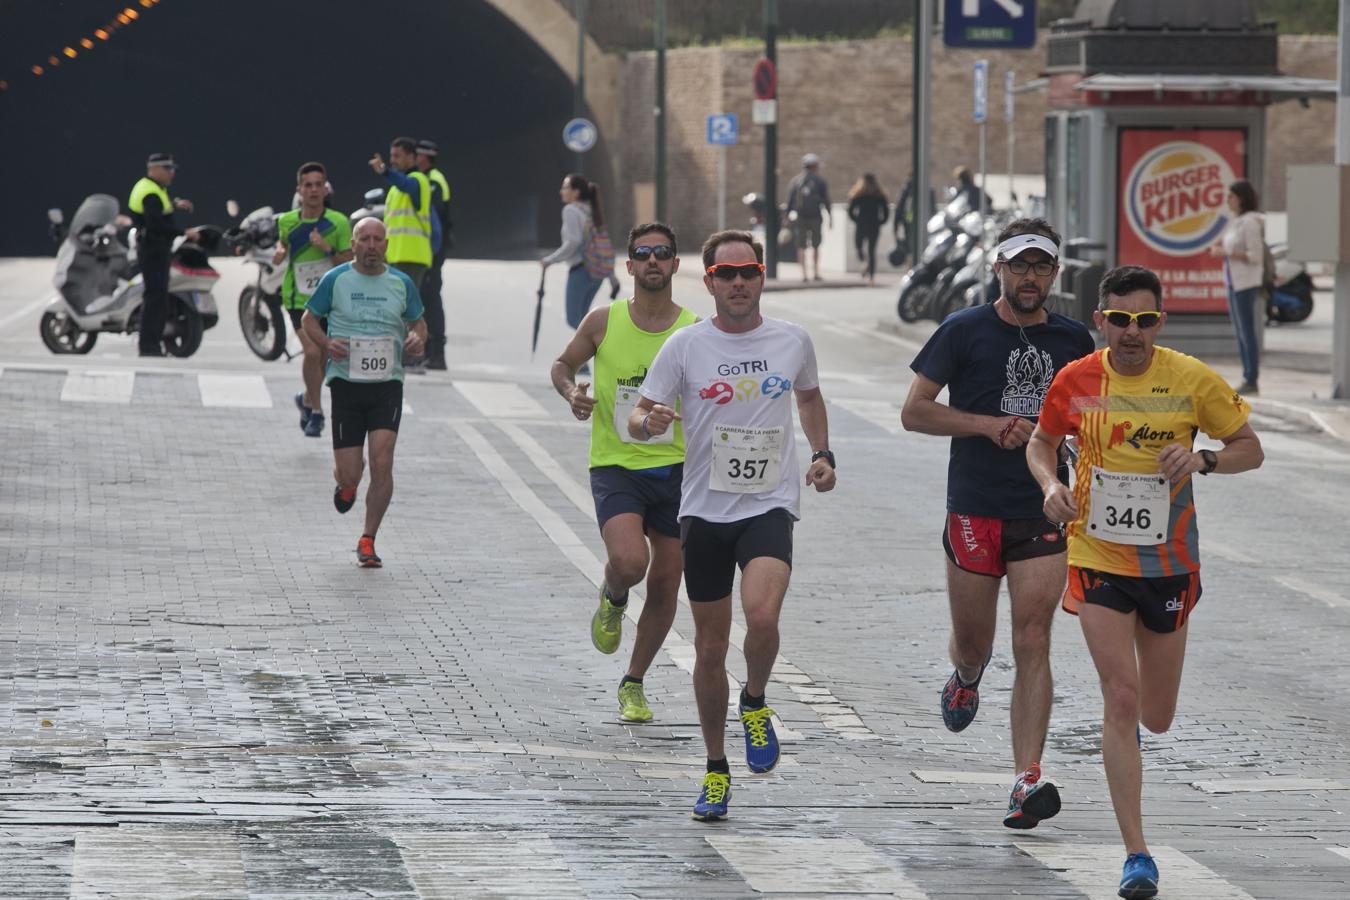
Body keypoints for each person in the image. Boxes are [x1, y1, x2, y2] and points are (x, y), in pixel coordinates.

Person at [1026, 265, 1264, 900]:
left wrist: (1205, 457)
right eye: (1121, 319)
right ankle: (1137, 853)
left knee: (1155, 716)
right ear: (1100, 320)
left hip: (1169, 565)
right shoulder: (1076, 379)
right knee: (1122, 699)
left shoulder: (1191, 380)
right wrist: (1051, 486)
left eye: (1146, 320)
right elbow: (1041, 443)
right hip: (1097, 556)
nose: (1133, 332)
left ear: (1162, 322)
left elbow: (1251, 447)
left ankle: (1133, 744)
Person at [629, 229, 837, 821]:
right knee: (711, 647)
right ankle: (717, 768)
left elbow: (810, 398)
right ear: (710, 283)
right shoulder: (685, 347)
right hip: (703, 512)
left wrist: (822, 454)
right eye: (727, 274)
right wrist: (652, 422)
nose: (739, 282)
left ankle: (755, 700)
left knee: (764, 616)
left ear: (763, 277)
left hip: (768, 504)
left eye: (748, 272)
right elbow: (639, 417)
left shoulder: (792, 340)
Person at [900, 218, 1094, 830]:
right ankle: (965, 675)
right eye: (1019, 266)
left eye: (1041, 267)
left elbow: (1092, 418)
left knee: (1033, 637)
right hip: (975, 506)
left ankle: (1025, 779)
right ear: (999, 269)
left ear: (1054, 275)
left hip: (1040, 507)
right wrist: (986, 425)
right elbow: (914, 412)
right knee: (975, 641)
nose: (1029, 277)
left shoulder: (1074, 339)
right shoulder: (963, 330)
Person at [550, 223, 698, 723]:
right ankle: (613, 596)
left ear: (677, 264)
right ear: (629, 265)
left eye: (663, 253)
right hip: (617, 466)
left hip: (678, 470)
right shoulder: (603, 321)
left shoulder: (696, 331)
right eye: (643, 253)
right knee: (631, 564)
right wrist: (573, 394)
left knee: (666, 582)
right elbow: (562, 365)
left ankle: (634, 681)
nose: (653, 261)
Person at [301, 218, 427, 569]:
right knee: (350, 473)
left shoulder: (401, 283)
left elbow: (419, 323)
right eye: (364, 239)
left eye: (377, 239)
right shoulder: (335, 279)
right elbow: (308, 319)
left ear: (386, 245)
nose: (371, 245)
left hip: (388, 385)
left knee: (383, 462)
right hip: (346, 385)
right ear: (353, 245)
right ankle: (347, 485)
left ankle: (368, 539)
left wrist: (417, 339)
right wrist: (326, 343)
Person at [274, 162, 353, 438]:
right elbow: (283, 242)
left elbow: (348, 259)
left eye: (319, 184)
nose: (314, 190)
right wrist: (280, 251)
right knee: (312, 352)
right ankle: (317, 414)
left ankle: (307, 399)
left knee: (323, 358)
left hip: (328, 301)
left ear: (325, 188)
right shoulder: (287, 221)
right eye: (308, 185)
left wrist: (326, 248)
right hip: (297, 299)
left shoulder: (338, 222)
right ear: (299, 190)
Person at [369, 137, 439, 374]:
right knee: (397, 308)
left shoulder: (417, 181)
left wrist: (385, 172)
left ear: (411, 156)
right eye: (391, 158)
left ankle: (414, 358)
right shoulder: (395, 189)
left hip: (413, 256)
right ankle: (400, 356)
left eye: (398, 156)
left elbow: (407, 186)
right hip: (397, 255)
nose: (393, 161)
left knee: (409, 308)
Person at [126, 152, 200, 357]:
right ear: (154, 169)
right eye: (168, 169)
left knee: (157, 296)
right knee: (155, 298)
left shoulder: (153, 188)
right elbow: (156, 224)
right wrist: (184, 233)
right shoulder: (149, 192)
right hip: (153, 252)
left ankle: (152, 343)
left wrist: (175, 204)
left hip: (155, 250)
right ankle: (148, 346)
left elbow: (160, 208)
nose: (172, 173)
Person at [541, 173, 620, 331]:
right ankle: (594, 350)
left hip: (580, 271)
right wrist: (611, 276)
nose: (561, 191)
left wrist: (550, 260)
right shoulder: (591, 210)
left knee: (574, 320)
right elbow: (602, 245)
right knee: (583, 321)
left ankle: (603, 345)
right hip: (597, 273)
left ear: (576, 192)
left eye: (565, 187)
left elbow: (573, 241)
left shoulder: (570, 210)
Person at [1210, 179, 1264, 395]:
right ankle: (1247, 375)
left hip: (1245, 284)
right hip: (1233, 282)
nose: (1227, 201)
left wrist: (1226, 253)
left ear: (1241, 199)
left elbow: (1255, 255)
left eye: (1231, 197)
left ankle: (1251, 378)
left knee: (1247, 332)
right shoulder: (1236, 221)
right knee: (1240, 332)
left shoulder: (1250, 222)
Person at [415, 139, 452, 370]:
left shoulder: (434, 181)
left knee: (431, 301)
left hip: (432, 252)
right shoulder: (426, 179)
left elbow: (434, 222)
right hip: (427, 251)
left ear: (424, 157)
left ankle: (437, 354)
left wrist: (432, 253)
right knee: (426, 300)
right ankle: (428, 352)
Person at [785, 154, 832, 282]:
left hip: (800, 217)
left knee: (801, 245)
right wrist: (830, 216)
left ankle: (804, 274)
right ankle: (816, 272)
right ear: (814, 166)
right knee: (816, 245)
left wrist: (787, 218)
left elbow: (790, 201)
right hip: (815, 216)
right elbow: (826, 200)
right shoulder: (819, 181)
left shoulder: (796, 181)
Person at [846, 174, 889, 285]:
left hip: (862, 225)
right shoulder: (878, 195)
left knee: (859, 247)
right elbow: (885, 213)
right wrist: (880, 222)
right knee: (871, 250)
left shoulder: (859, 194)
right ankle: (871, 276)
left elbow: (850, 211)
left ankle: (866, 267)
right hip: (874, 225)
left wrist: (857, 220)